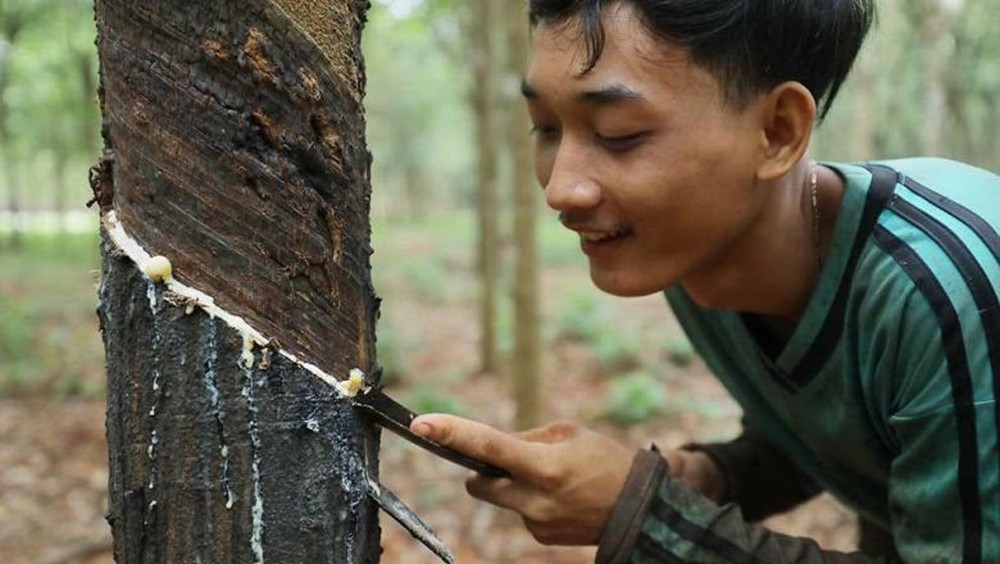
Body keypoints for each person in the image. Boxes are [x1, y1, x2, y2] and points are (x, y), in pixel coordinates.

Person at [409, 1, 1000, 561]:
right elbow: (844, 426)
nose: (561, 189)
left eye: (617, 134)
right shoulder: (694, 252)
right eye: (546, 128)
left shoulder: (945, 298)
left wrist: (646, 515)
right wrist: (705, 478)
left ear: (777, 131)